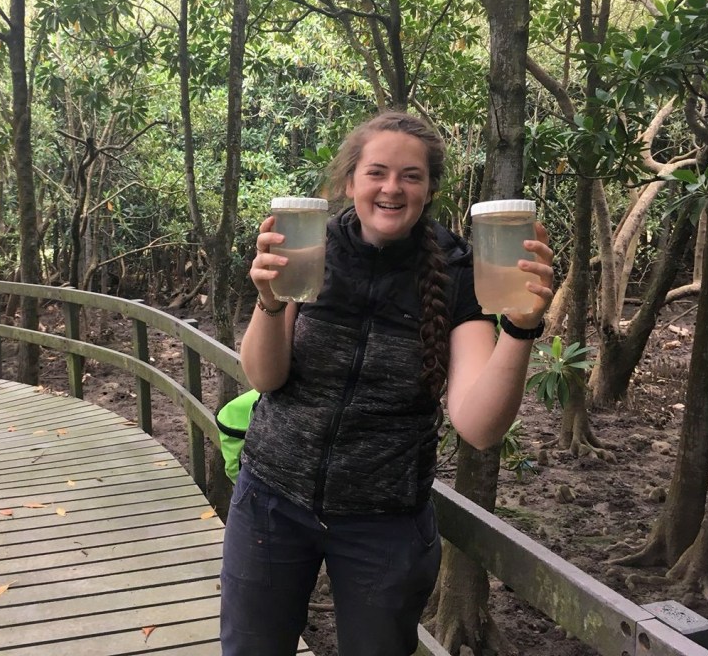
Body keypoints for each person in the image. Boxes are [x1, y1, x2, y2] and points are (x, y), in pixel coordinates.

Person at [220, 111, 555, 656]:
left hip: (385, 523)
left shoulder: (458, 272)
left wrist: (521, 328)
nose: (391, 188)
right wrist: (269, 301)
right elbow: (264, 376)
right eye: (376, 172)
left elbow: (478, 426)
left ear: (430, 190)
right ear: (349, 182)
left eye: (411, 176)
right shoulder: (308, 248)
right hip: (272, 501)